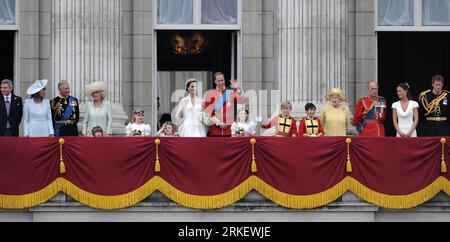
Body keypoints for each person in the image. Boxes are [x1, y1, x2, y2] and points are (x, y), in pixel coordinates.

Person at [204, 72, 245, 137]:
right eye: (218, 81)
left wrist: (238, 89)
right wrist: (219, 123)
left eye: (222, 80)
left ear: (224, 80)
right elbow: (208, 112)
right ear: (215, 81)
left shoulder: (231, 92)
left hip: (230, 129)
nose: (221, 82)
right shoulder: (210, 94)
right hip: (215, 130)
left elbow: (241, 101)